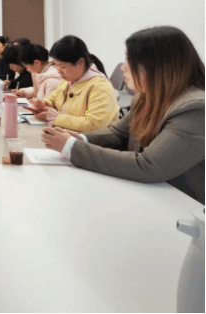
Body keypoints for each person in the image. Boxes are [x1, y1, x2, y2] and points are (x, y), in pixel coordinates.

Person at [41, 26, 205, 204]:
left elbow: (149, 166)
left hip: (181, 206)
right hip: (147, 194)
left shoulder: (195, 108)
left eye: (130, 60)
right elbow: (118, 133)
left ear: (158, 66)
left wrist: (72, 148)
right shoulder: (147, 96)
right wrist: (80, 138)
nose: (123, 67)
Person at [29, 35, 118, 132]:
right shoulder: (69, 79)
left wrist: (56, 118)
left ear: (80, 62)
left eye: (63, 67)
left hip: (90, 139)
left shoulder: (100, 86)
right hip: (69, 134)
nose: (59, 71)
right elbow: (55, 97)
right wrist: (45, 103)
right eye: (56, 65)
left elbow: (95, 125)